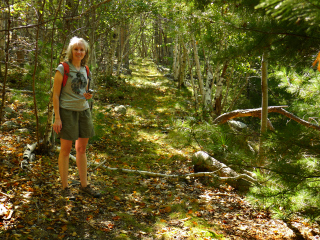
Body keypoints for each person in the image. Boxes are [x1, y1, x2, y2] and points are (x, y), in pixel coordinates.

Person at [53, 36, 100, 198]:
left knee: (81, 149)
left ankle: (84, 185)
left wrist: (88, 96)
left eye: (81, 49)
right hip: (67, 112)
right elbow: (55, 95)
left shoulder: (86, 70)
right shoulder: (63, 69)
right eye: (76, 49)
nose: (79, 52)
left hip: (84, 111)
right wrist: (57, 118)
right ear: (70, 51)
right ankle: (65, 188)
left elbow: (83, 91)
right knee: (66, 150)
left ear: (85, 52)